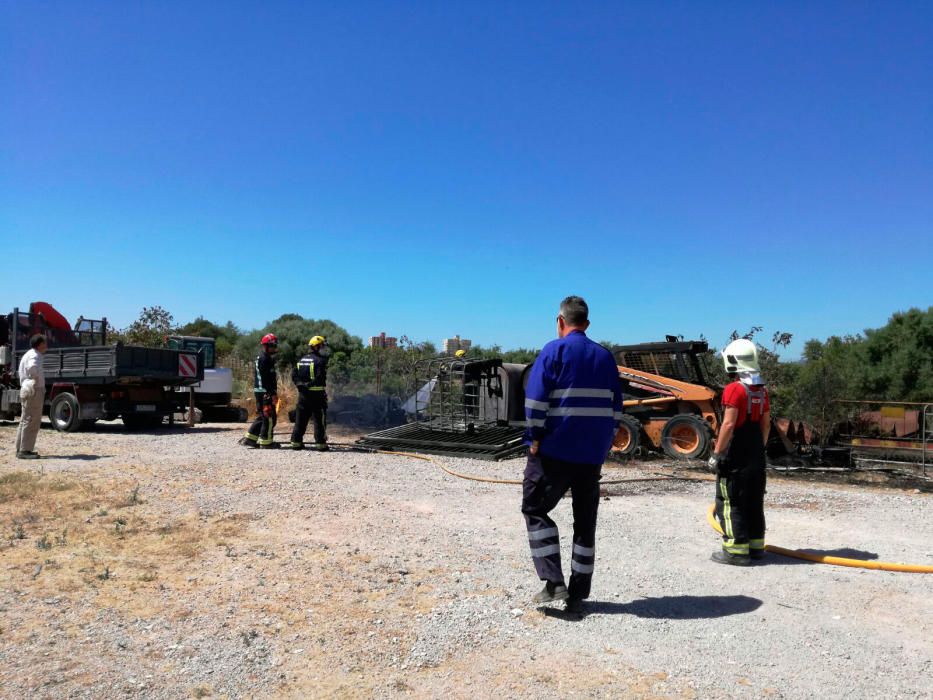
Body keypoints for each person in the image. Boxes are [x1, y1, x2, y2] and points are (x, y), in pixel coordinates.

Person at [521, 296, 623, 611]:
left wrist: (533, 436)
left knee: (535, 509)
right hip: (591, 456)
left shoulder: (555, 349)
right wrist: (603, 444)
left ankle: (553, 584)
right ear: (587, 324)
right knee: (585, 521)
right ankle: (578, 593)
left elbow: (536, 400)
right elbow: (616, 408)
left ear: (560, 322)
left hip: (555, 451)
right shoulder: (605, 357)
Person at [707, 338, 771, 566]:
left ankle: (735, 552)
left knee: (730, 501)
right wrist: (759, 451)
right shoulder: (762, 391)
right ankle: (756, 548)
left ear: (733, 361)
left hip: (735, 459)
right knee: (754, 502)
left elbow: (728, 425)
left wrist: (716, 454)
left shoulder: (734, 389)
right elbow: (766, 426)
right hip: (756, 457)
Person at [240, 334, 280, 449]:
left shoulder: (264, 357)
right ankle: (266, 443)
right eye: (273, 345)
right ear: (266, 346)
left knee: (262, 416)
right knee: (269, 417)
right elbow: (265, 379)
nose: (275, 348)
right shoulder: (265, 359)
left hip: (262, 391)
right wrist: (271, 393)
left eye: (275, 345)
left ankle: (250, 439)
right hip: (265, 392)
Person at [289, 336, 329, 451]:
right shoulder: (320, 361)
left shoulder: (301, 360)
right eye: (322, 346)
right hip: (317, 396)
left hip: (303, 396)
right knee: (319, 420)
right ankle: (321, 444)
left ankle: (296, 442)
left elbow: (294, 375)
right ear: (316, 346)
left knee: (300, 419)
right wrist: (309, 385)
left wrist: (300, 385)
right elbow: (320, 378)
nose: (323, 349)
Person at [16, 334, 48, 459]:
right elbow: (32, 368)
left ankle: (20, 448)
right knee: (32, 419)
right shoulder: (35, 355)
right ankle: (25, 451)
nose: (46, 345)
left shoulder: (29, 353)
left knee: (25, 419)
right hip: (34, 389)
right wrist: (35, 379)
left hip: (27, 388)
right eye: (44, 343)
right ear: (40, 344)